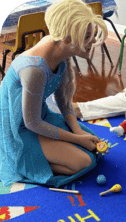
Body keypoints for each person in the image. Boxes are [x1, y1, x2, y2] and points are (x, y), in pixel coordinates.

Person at [0, 0, 108, 187]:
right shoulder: (35, 70)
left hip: (39, 118)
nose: (92, 43)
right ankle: (25, 163)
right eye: (87, 37)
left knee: (93, 148)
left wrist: (77, 131)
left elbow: (64, 101)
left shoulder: (59, 49)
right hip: (19, 129)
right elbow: (31, 123)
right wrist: (77, 140)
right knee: (85, 162)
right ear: (66, 37)